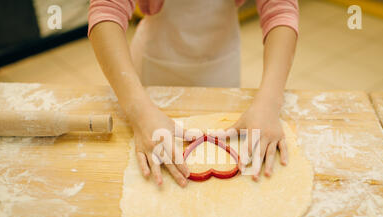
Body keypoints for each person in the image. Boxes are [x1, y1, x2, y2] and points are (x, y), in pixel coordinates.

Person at [88, 0, 299, 187]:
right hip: (153, 75)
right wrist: (139, 111)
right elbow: (107, 9)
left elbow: (280, 8)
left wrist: (269, 102)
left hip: (222, 69)